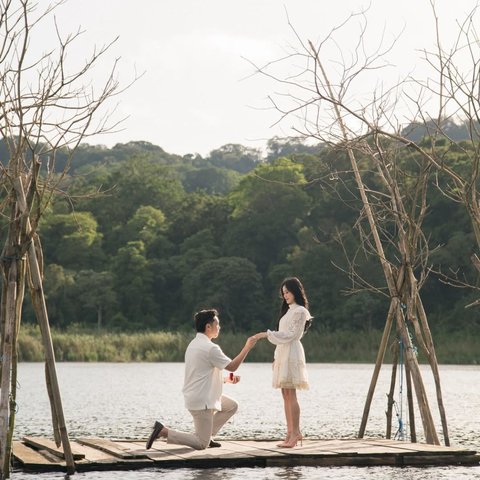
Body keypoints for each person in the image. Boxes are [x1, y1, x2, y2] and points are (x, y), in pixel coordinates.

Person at [146, 308, 257, 450]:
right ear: (208, 327)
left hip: (198, 395)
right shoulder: (211, 348)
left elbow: (202, 375)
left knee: (231, 406)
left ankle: (208, 435)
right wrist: (247, 347)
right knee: (200, 444)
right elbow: (233, 366)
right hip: (202, 401)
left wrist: (226, 380)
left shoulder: (193, 344)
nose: (219, 327)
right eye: (217, 324)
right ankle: (164, 432)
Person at [254, 277, 312, 448]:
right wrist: (275, 358)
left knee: (291, 393)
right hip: (282, 352)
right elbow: (282, 335)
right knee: (285, 394)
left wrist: (267, 334)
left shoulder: (300, 311)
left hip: (292, 351)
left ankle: (296, 433)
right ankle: (289, 432)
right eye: (283, 293)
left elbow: (292, 335)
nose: (285, 295)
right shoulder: (288, 311)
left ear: (296, 291)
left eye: (287, 292)